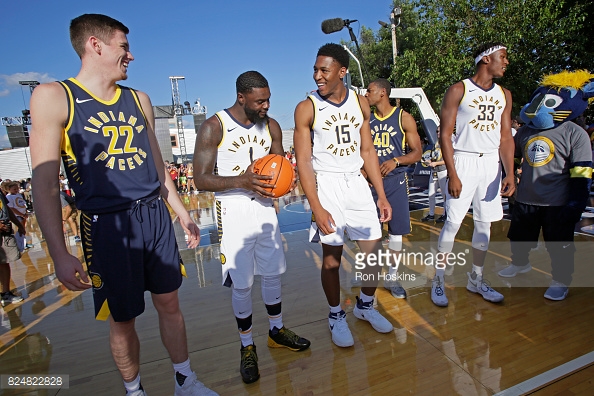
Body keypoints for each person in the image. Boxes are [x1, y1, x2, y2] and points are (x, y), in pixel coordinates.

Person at [29, 14, 216, 396]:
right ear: (95, 45)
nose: (130, 55)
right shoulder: (54, 96)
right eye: (123, 46)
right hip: (107, 225)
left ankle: (185, 381)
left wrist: (181, 213)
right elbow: (44, 183)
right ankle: (135, 391)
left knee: (170, 303)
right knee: (123, 319)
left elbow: (157, 166)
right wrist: (59, 252)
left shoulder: (138, 99)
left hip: (153, 217)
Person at [193, 71, 310, 384]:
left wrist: (284, 179)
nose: (266, 105)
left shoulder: (271, 126)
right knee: (242, 284)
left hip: (264, 208)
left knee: (272, 274)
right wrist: (241, 180)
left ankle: (277, 330)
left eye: (268, 99)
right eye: (260, 100)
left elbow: (280, 165)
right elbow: (200, 178)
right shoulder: (214, 126)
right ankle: (247, 346)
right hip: (232, 211)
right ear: (241, 98)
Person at [294, 43, 394, 348]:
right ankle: (336, 314)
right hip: (327, 184)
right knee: (332, 260)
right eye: (315, 69)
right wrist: (317, 206)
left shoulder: (361, 104)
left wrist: (381, 195)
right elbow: (304, 162)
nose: (317, 76)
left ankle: (365, 306)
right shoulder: (307, 107)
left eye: (324, 70)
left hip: (355, 183)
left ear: (342, 71)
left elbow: (367, 151)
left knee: (374, 253)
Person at [432, 42, 515, 307]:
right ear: (486, 59)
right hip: (464, 159)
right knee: (453, 224)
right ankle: (439, 278)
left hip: (491, 163)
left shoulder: (505, 94)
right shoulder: (459, 89)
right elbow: (445, 134)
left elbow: (505, 136)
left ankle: (476, 279)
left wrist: (510, 171)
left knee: (484, 224)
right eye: (502, 57)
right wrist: (453, 173)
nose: (506, 62)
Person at [498, 70, 594, 300]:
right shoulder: (526, 131)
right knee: (519, 238)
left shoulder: (575, 133)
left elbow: (582, 174)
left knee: (559, 245)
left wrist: (575, 206)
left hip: (557, 202)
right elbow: (511, 154)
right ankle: (520, 264)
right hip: (526, 198)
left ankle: (561, 280)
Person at [364, 78, 422, 299]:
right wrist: (363, 170)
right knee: (371, 234)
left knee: (395, 233)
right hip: (370, 182)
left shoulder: (403, 117)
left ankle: (392, 277)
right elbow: (359, 150)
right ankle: (371, 276)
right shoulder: (365, 119)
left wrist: (396, 161)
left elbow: (417, 152)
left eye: (369, 90)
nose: (366, 94)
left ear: (382, 93)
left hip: (396, 180)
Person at [0, 189, 26, 306]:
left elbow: (6, 208)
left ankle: (5, 293)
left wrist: (18, 224)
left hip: (5, 232)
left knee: (5, 262)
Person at [421, 127, 448, 223]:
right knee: (431, 194)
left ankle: (446, 214)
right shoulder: (435, 145)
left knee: (444, 195)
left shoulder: (447, 144)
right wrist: (429, 161)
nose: (438, 133)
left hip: (443, 171)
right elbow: (434, 157)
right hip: (434, 172)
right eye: (437, 131)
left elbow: (449, 160)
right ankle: (431, 214)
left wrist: (436, 163)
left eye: (440, 131)